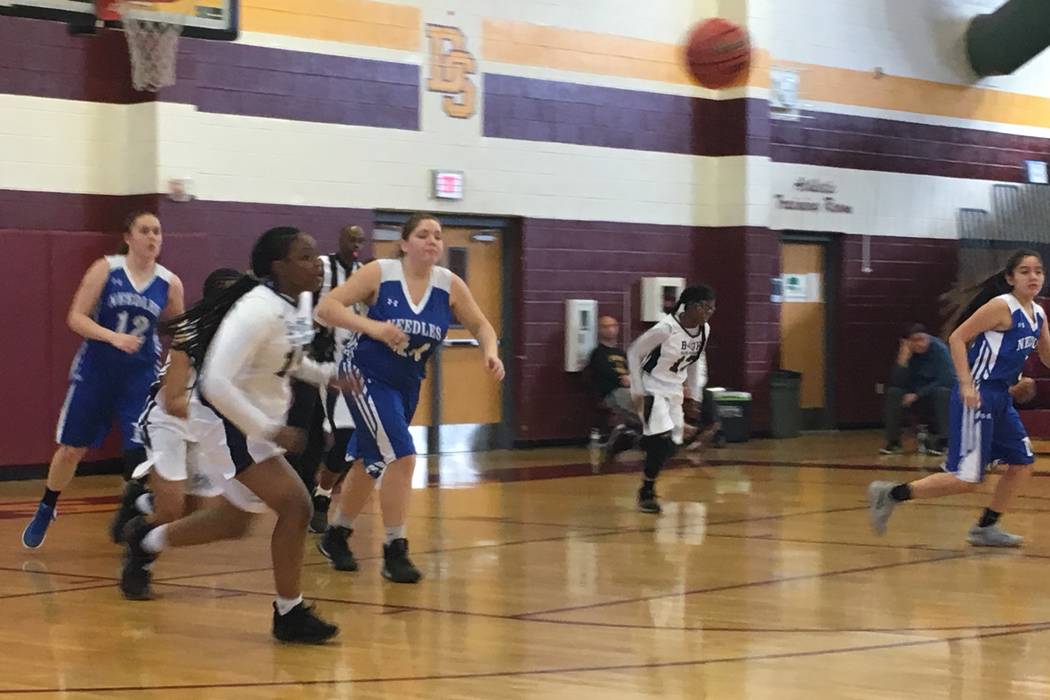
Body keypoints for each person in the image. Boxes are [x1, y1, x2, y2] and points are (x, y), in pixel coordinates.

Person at [121, 226, 340, 644]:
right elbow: (215, 384)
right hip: (226, 420)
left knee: (233, 523)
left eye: (317, 256)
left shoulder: (294, 304)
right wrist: (271, 429)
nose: (318, 264)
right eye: (306, 257)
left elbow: (290, 359)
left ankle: (144, 541)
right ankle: (289, 614)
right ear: (279, 266)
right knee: (297, 506)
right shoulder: (256, 310)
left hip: (251, 420)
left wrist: (329, 376)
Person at [314, 213, 504, 582]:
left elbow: (480, 324)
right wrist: (374, 327)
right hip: (365, 372)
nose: (432, 240)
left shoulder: (448, 284)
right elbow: (328, 308)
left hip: (407, 381)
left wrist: (490, 351)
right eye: (423, 234)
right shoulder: (380, 273)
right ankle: (394, 549)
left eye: (437, 235)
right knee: (401, 455)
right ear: (404, 243)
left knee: (371, 460)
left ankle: (336, 535)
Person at [22, 212, 185, 549]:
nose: (152, 237)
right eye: (145, 230)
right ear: (129, 237)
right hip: (97, 370)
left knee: (139, 451)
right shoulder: (106, 269)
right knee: (71, 449)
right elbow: (75, 317)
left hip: (139, 375)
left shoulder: (169, 283)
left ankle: (132, 513)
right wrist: (113, 337)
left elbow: (181, 332)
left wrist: (176, 370)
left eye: (157, 231)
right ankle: (47, 506)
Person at [869, 250, 1050, 547]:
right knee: (966, 479)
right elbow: (957, 337)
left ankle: (985, 527)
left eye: (1038, 271)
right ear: (1010, 278)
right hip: (976, 396)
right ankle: (890, 494)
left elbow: (1046, 356)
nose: (1033, 276)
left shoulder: (1038, 314)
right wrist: (966, 384)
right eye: (1025, 271)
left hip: (1001, 399)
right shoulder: (1001, 306)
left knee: (1022, 463)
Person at [109, 269, 243, 563]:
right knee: (171, 511)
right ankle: (138, 559)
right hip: (168, 421)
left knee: (192, 511)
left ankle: (140, 500)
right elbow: (173, 402)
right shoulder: (190, 335)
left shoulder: (244, 335)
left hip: (205, 425)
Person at [626, 285, 715, 514]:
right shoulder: (665, 329)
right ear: (693, 306)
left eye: (713, 308)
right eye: (706, 307)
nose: (710, 312)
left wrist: (694, 396)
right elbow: (634, 352)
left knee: (673, 446)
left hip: (674, 390)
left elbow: (697, 361)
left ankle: (628, 439)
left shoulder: (704, 330)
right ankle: (646, 492)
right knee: (661, 440)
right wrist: (637, 389)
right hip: (651, 387)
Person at [308, 224, 367, 533]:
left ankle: (320, 495)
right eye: (351, 238)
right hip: (325, 363)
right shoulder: (323, 267)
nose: (356, 243)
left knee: (352, 441)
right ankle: (318, 499)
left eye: (360, 239)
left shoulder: (363, 273)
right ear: (340, 240)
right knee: (339, 436)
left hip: (355, 365)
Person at [880, 323, 953, 456]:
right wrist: (903, 360)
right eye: (915, 340)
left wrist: (918, 394)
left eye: (922, 339)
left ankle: (944, 441)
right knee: (893, 392)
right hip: (912, 395)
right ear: (907, 342)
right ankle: (894, 442)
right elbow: (897, 382)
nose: (920, 344)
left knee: (943, 393)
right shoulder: (906, 353)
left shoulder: (940, 350)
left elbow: (947, 379)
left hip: (932, 393)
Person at [584, 315, 640, 462]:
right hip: (611, 393)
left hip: (627, 390)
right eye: (606, 326)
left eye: (613, 325)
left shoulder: (621, 353)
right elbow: (605, 373)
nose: (611, 329)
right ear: (600, 330)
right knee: (641, 405)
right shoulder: (598, 354)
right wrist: (621, 379)